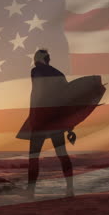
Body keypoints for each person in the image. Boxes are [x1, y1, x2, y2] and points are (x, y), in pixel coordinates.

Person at [16, 49, 74, 198]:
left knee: (34, 156)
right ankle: (70, 189)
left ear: (38, 59)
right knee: (62, 154)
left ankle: (30, 191)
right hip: (56, 120)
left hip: (40, 119)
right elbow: (68, 99)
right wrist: (69, 125)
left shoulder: (36, 70)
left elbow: (37, 93)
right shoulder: (60, 74)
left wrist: (32, 118)